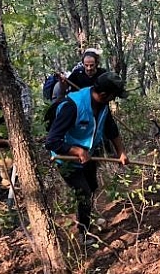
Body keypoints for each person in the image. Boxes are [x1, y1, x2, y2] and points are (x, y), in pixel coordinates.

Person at [45, 71, 129, 244]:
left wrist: (121, 152)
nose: (114, 100)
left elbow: (111, 128)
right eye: (113, 96)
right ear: (105, 94)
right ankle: (84, 234)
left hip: (89, 155)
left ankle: (88, 218)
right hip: (66, 158)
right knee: (83, 192)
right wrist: (76, 151)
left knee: (92, 186)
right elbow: (52, 142)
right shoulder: (72, 106)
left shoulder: (103, 104)